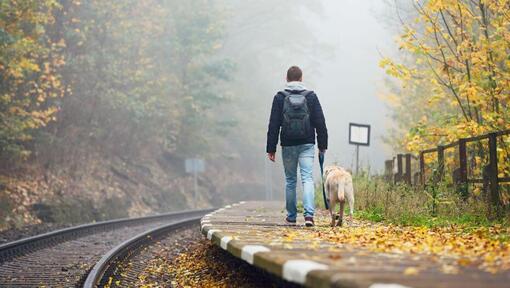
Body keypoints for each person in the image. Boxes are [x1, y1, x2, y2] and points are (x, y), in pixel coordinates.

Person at [266, 66, 328, 227]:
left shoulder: (280, 97)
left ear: (286, 79)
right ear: (301, 79)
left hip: (287, 144)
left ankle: (291, 216)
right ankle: (309, 216)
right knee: (307, 178)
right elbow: (320, 122)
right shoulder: (311, 96)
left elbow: (273, 124)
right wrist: (323, 145)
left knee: (291, 180)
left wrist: (270, 148)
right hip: (307, 143)